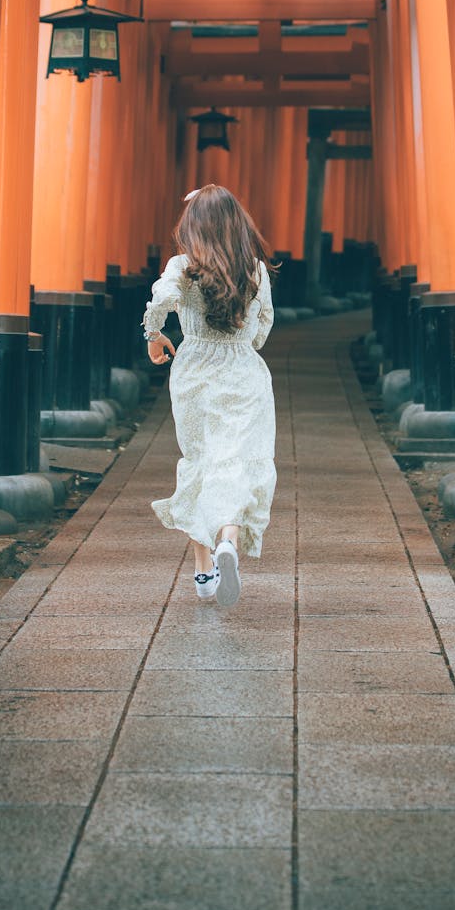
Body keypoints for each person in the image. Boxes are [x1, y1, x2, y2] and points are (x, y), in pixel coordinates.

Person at [142, 184, 276, 607]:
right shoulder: (253, 269)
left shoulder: (182, 267)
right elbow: (262, 330)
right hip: (243, 373)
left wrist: (154, 334)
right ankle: (229, 541)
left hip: (194, 371)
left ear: (192, 227)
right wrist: (240, 340)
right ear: (238, 225)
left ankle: (203, 572)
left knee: (199, 460)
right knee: (235, 459)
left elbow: (162, 298)